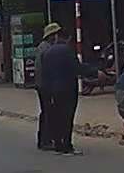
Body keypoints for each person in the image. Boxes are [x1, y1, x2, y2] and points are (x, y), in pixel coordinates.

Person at [37, 23, 92, 154]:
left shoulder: (48, 49)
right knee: (62, 116)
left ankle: (55, 142)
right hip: (59, 88)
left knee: (53, 115)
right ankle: (60, 143)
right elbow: (76, 68)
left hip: (50, 87)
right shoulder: (53, 49)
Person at [34, 23, 58, 151]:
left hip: (41, 84)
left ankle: (45, 139)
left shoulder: (43, 47)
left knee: (46, 112)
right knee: (48, 112)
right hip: (45, 85)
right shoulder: (47, 49)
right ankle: (45, 140)